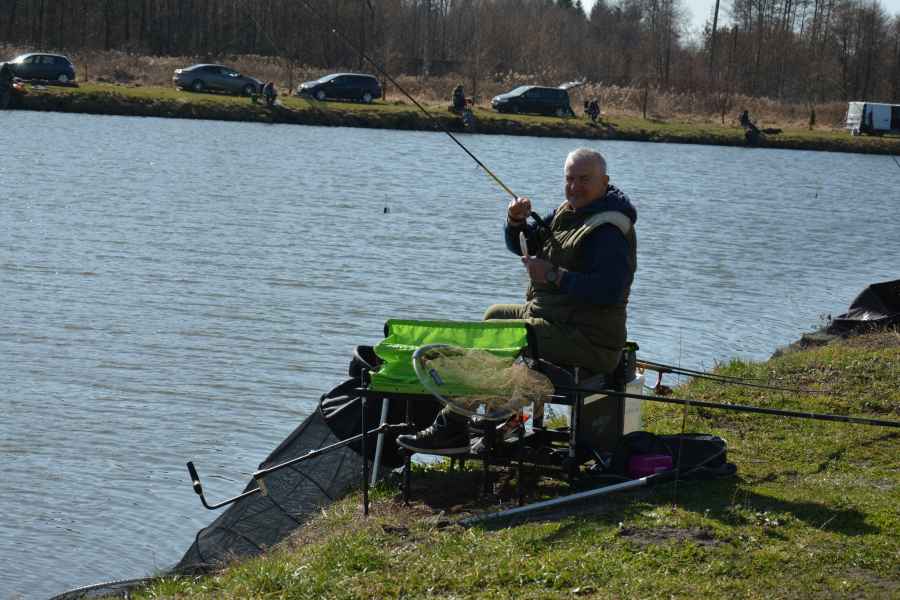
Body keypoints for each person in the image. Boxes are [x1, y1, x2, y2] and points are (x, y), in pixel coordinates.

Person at [396, 148, 637, 454]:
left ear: (605, 181)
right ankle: (488, 417)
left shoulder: (609, 230)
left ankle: (451, 425)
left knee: (508, 337)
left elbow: (609, 291)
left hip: (590, 338)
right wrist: (515, 221)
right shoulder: (568, 212)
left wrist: (554, 275)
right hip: (550, 316)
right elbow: (525, 242)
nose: (575, 186)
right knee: (494, 317)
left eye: (584, 179)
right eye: (569, 179)